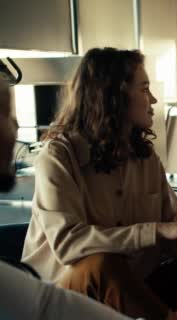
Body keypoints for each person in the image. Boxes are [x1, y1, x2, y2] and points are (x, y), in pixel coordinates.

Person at [20, 48, 177, 320]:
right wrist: (159, 231)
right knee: (103, 261)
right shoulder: (58, 156)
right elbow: (68, 245)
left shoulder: (145, 156)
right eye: (144, 89)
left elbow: (172, 228)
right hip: (66, 293)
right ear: (113, 96)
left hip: (133, 287)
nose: (153, 99)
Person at [1, 78, 133, 319]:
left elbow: (47, 304)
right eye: (4, 112)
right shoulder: (57, 156)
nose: (16, 124)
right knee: (102, 264)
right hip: (70, 275)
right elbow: (46, 304)